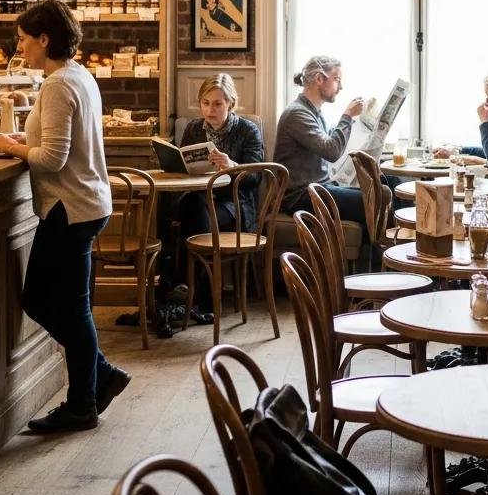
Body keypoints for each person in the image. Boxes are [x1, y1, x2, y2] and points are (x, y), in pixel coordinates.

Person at [0, 1, 125, 434]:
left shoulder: (56, 84)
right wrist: (19, 139)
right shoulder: (79, 75)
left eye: (23, 40)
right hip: (87, 203)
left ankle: (84, 402)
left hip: (70, 208)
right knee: (66, 305)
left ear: (44, 39)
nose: (20, 48)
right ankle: (99, 379)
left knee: (53, 304)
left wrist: (9, 147)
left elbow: (51, 158)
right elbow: (60, 140)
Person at [155, 74, 265, 333]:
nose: (210, 110)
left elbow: (256, 177)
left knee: (190, 213)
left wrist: (232, 165)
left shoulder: (247, 130)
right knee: (179, 207)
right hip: (198, 200)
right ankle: (193, 294)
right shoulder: (194, 128)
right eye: (205, 103)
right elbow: (182, 167)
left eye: (217, 104)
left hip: (234, 205)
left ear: (231, 104)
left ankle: (180, 290)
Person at [273, 54, 367, 226]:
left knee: (386, 185)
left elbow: (330, 144)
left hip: (318, 188)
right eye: (337, 79)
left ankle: (379, 243)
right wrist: (347, 116)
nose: (341, 87)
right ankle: (386, 243)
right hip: (300, 196)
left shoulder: (314, 112)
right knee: (372, 199)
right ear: (319, 78)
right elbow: (332, 151)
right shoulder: (297, 113)